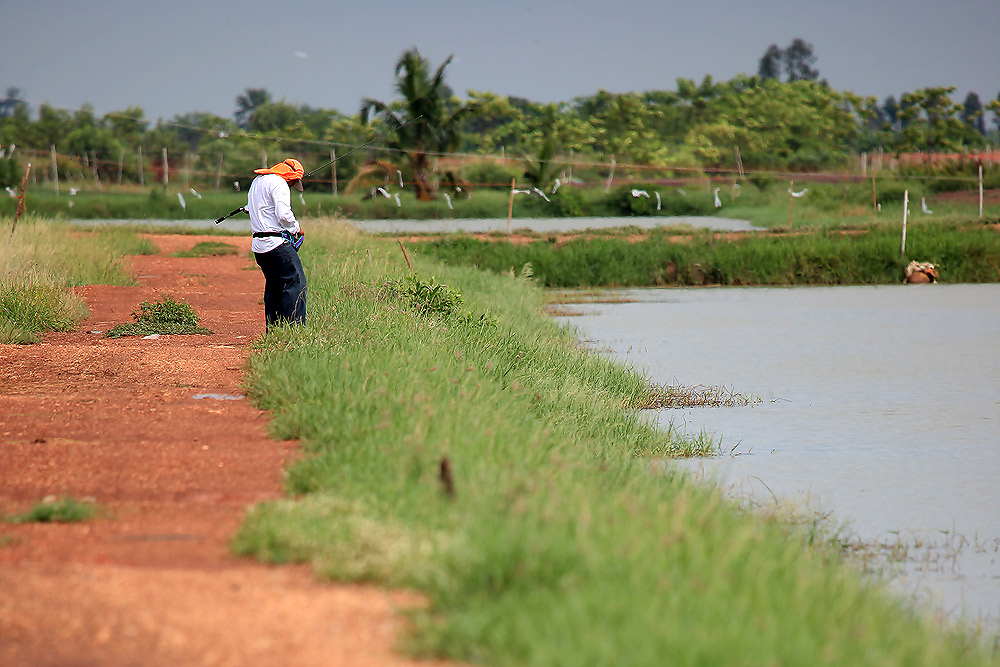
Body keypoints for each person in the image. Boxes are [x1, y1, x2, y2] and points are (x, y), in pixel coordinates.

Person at [247, 158, 307, 331]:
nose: (291, 185)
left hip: (259, 246)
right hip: (275, 244)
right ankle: (294, 330)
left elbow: (255, 209)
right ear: (290, 176)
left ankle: (273, 330)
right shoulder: (279, 182)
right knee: (296, 282)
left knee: (275, 286)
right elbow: (283, 215)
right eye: (293, 182)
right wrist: (296, 228)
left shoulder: (257, 182)